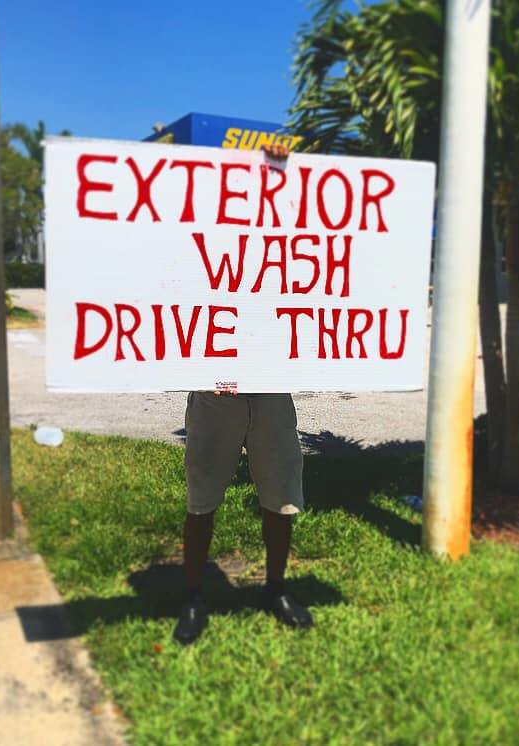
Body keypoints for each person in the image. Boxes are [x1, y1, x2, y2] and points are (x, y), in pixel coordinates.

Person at [173, 142, 314, 646]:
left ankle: (275, 590)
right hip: (216, 390)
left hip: (271, 389)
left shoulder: (285, 243)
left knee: (280, 496)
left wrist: (279, 169)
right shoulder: (201, 242)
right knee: (202, 496)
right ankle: (192, 595)